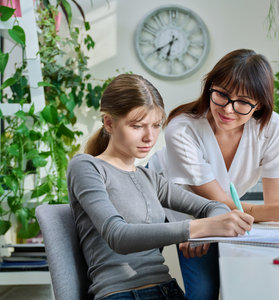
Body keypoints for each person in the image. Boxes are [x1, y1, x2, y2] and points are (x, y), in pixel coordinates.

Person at [148, 49, 279, 299]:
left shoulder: (271, 126)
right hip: (171, 201)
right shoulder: (182, 128)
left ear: (259, 104)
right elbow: (215, 203)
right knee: (202, 290)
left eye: (243, 102)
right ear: (209, 87)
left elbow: (276, 202)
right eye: (221, 94)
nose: (228, 109)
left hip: (222, 207)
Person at [67, 74, 254, 300]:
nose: (150, 137)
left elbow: (214, 207)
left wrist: (204, 233)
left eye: (156, 126)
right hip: (122, 294)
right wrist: (197, 229)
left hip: (167, 290)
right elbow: (119, 236)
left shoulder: (150, 178)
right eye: (137, 126)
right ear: (109, 123)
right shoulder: (86, 167)